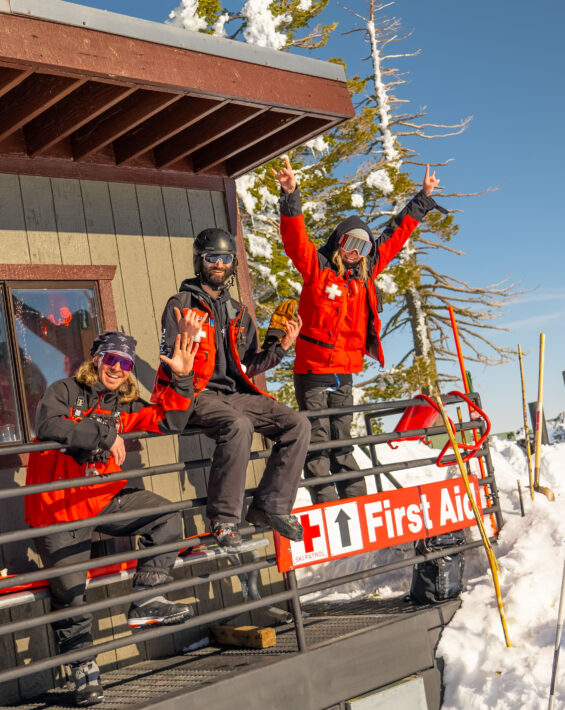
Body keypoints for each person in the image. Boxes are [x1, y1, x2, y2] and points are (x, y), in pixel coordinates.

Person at [26, 316, 200, 707]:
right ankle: (84, 670)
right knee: (72, 595)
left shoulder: (121, 402)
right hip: (59, 509)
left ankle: (148, 598)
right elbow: (49, 425)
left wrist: (183, 380)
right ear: (97, 359)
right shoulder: (65, 391)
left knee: (166, 514)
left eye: (125, 363)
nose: (118, 369)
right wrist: (107, 434)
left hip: (102, 499)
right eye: (112, 359)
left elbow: (168, 419)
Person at [273, 157, 444, 503]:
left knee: (343, 440)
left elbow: (395, 236)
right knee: (319, 441)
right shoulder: (317, 270)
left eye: (363, 247)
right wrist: (290, 194)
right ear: (339, 242)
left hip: (345, 372)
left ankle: (356, 504)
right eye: (350, 244)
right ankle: (326, 507)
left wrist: (422, 199)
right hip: (315, 370)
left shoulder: (366, 273)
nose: (355, 253)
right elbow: (295, 240)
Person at [153, 227, 311, 550]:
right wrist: (183, 337)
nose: (219, 265)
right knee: (239, 426)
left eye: (225, 259)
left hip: (234, 395)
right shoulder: (181, 304)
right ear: (199, 261)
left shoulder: (237, 312)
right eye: (212, 258)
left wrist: (279, 347)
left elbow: (248, 365)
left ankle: (272, 505)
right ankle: (224, 519)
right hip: (194, 393)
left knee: (298, 424)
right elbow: (172, 360)